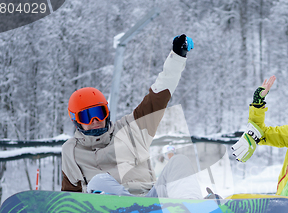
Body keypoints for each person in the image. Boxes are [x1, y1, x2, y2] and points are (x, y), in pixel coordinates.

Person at [61, 35, 203, 200]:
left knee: (179, 162)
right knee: (97, 182)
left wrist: (177, 57)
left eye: (99, 113)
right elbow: (69, 198)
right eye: (86, 116)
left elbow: (158, 96)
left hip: (151, 202)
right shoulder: (71, 151)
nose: (95, 120)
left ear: (106, 113)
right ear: (76, 120)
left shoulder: (130, 130)